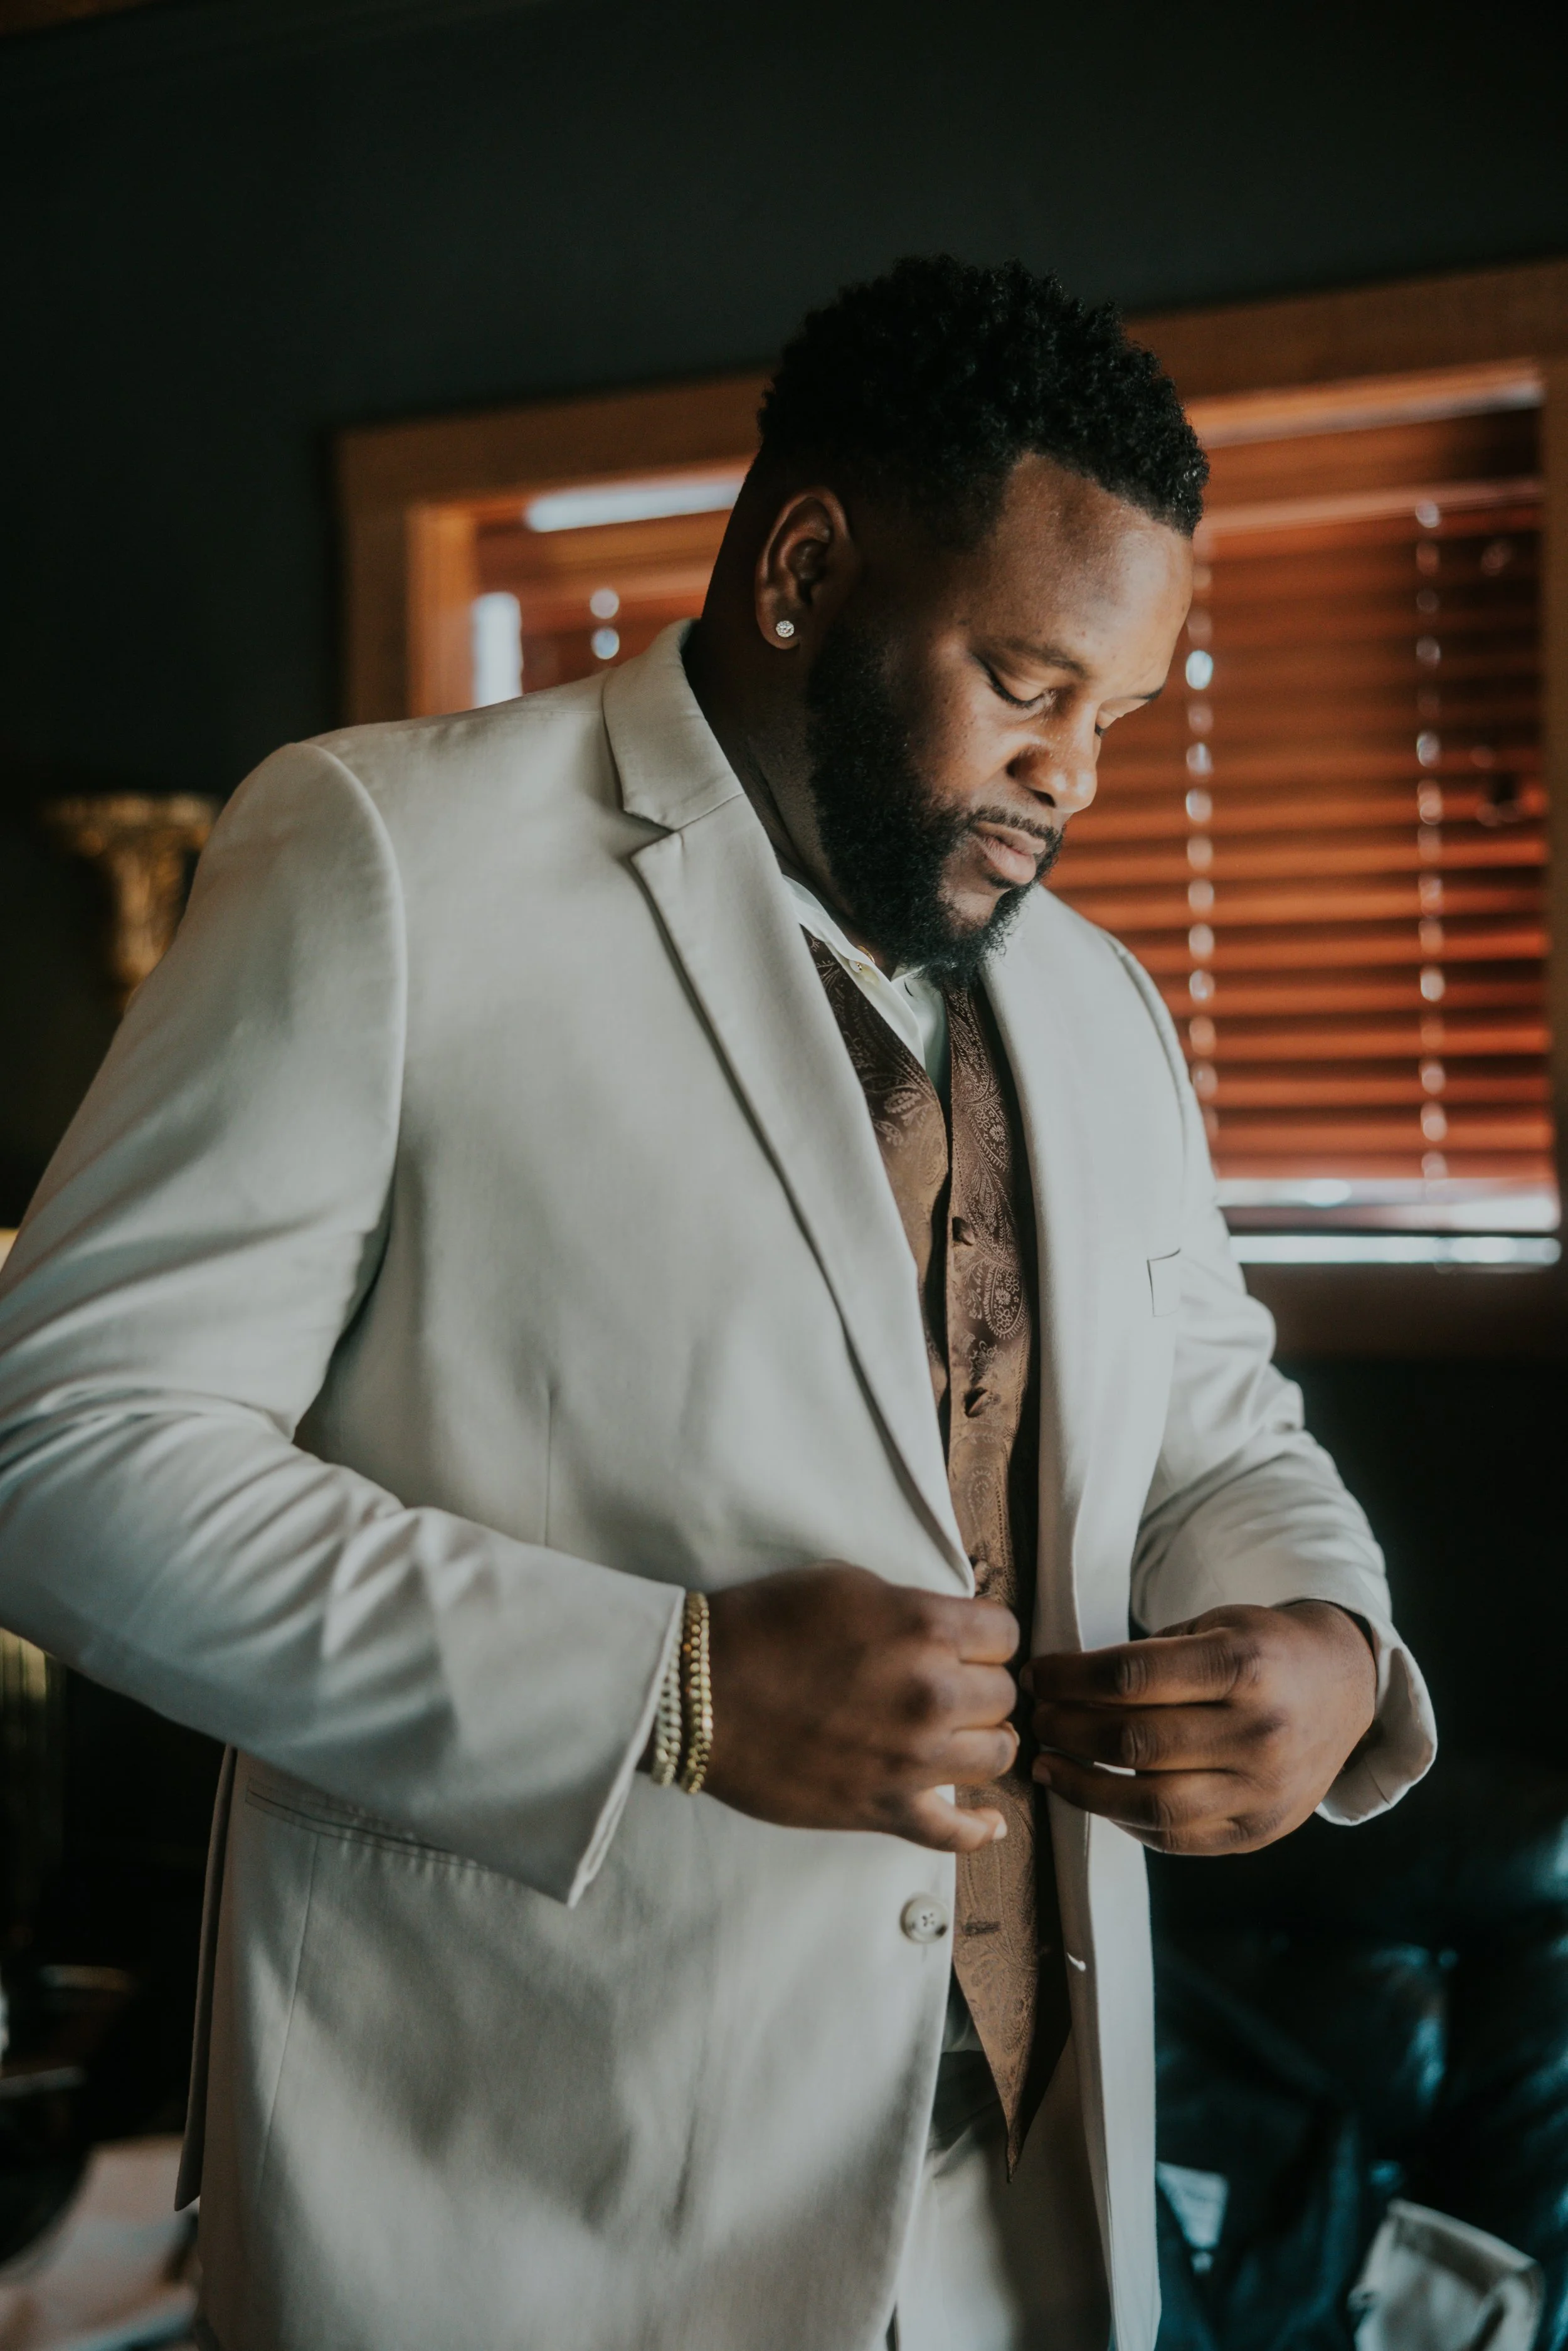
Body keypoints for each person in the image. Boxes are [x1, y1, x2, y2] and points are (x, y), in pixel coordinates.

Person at [0, 257, 1434, 2351]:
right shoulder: (384, 851)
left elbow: (1214, 1419)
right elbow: (66, 1455)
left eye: (1113, 721)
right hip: (528, 2223)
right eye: (1028, 682)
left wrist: (1321, 1638)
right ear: (806, 568)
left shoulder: (1095, 995)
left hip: (1025, 2212)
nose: (1077, 781)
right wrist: (658, 1684)